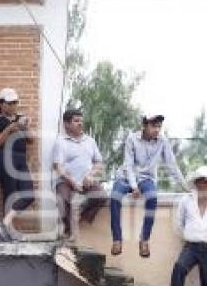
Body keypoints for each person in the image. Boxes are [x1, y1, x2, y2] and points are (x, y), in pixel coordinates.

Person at [109, 113, 188, 258]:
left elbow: (172, 165)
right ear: (144, 126)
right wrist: (133, 186)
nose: (157, 129)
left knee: (152, 197)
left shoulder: (162, 141)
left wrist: (185, 186)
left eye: (159, 126)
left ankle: (144, 239)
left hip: (146, 178)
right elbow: (129, 164)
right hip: (126, 176)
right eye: (153, 126)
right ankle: (117, 240)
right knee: (114, 197)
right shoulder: (132, 139)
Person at [52, 108, 106, 241]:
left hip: (86, 180)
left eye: (81, 121)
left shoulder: (90, 141)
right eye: (76, 121)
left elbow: (99, 162)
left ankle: (81, 215)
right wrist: (73, 182)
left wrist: (91, 175)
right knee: (63, 200)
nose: (80, 124)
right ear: (67, 124)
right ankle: (69, 230)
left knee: (101, 195)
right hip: (66, 181)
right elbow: (58, 167)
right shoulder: (60, 142)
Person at [0, 88, 35, 241]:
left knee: (29, 194)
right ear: (1, 104)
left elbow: (32, 139)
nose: (13, 106)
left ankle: (5, 222)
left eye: (15, 102)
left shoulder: (20, 118)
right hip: (4, 157)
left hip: (20, 159)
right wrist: (9, 128)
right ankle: (7, 232)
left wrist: (25, 126)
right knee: (10, 193)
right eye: (9, 103)